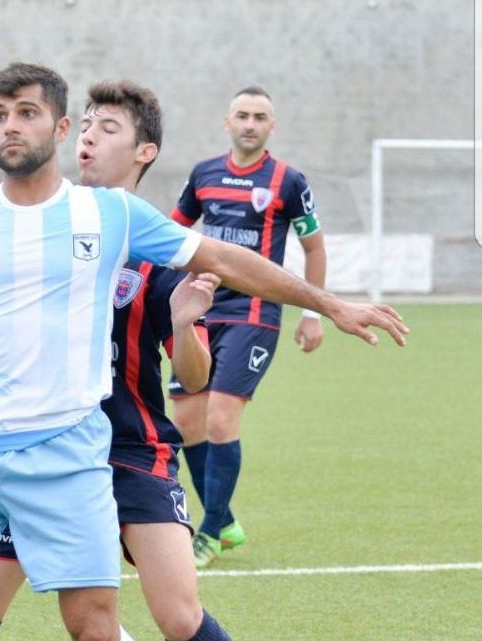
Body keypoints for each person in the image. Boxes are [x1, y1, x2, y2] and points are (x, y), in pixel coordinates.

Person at [0, 63, 406, 641]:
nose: (10, 126)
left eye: (27, 113)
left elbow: (227, 259)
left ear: (58, 130)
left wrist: (329, 302)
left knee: (95, 620)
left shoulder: (111, 216)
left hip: (70, 451)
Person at [0, 80, 232, 641]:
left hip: (130, 446)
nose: (90, 137)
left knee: (178, 617)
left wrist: (183, 323)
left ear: (145, 151)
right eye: (88, 124)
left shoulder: (159, 246)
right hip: (45, 445)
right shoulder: (47, 222)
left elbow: (196, 379)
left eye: (110, 128)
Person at [168, 86, 327, 569]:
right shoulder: (204, 175)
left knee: (219, 418)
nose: (251, 123)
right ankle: (227, 521)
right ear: (227, 122)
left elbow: (314, 248)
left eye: (260, 117)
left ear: (271, 127)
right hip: (204, 307)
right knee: (187, 423)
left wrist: (314, 312)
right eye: (243, 115)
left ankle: (210, 531)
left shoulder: (287, 181)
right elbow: (175, 232)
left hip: (255, 312)